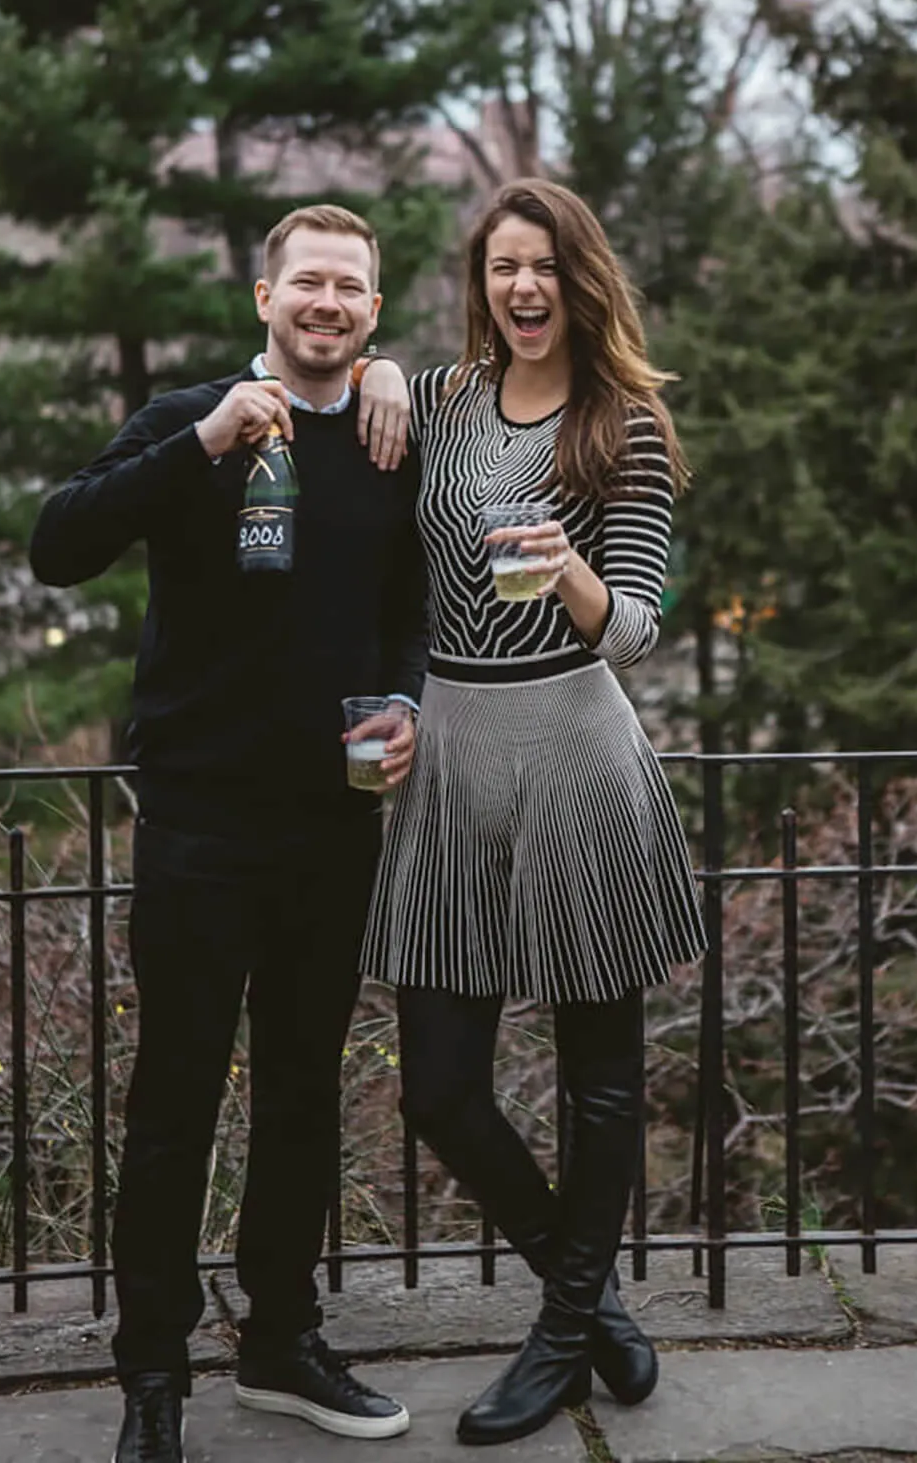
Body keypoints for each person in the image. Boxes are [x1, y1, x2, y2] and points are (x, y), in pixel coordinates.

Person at [29, 205, 426, 1463]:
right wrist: (202, 440)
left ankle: (281, 1341)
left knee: (304, 1093)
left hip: (335, 823)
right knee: (176, 1100)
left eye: (350, 287)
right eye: (307, 281)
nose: (327, 302)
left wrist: (408, 700)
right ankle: (153, 1371)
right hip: (199, 821)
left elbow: (410, 607)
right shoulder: (189, 421)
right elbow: (57, 543)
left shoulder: (390, 434)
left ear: (373, 310)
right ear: (266, 297)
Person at [358, 179, 706, 1446]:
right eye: (504, 265)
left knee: (600, 1077)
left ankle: (560, 1340)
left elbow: (640, 627)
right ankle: (595, 1304)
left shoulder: (627, 424)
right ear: (482, 282)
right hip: (451, 753)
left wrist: (571, 574)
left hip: (573, 748)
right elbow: (382, 519)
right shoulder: (443, 400)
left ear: (581, 278)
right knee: (439, 1086)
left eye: (546, 265)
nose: (524, 286)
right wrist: (382, 369)